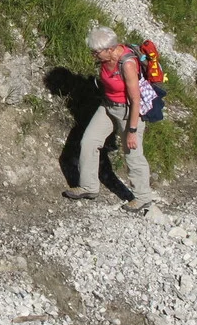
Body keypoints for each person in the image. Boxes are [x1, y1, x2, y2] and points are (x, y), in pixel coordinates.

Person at [66, 26, 157, 211]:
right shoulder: (105, 59)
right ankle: (88, 186)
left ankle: (143, 197)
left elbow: (135, 99)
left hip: (128, 111)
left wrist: (132, 130)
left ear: (110, 49)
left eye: (96, 52)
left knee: (132, 153)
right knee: (89, 141)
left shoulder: (127, 64)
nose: (93, 55)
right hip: (108, 106)